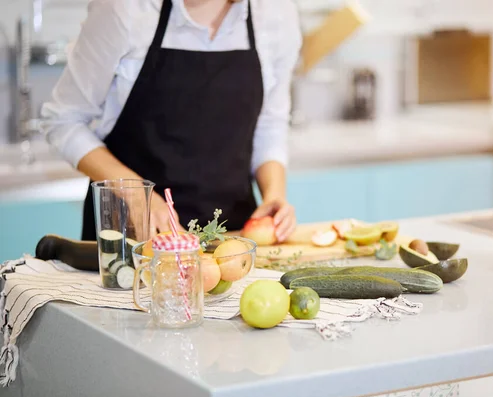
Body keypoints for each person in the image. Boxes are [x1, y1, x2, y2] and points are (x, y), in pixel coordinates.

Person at [40, 0, 301, 242]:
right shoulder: (125, 9)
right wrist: (135, 193)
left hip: (229, 244)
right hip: (133, 242)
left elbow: (269, 124)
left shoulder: (275, 12)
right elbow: (64, 120)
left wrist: (274, 194)